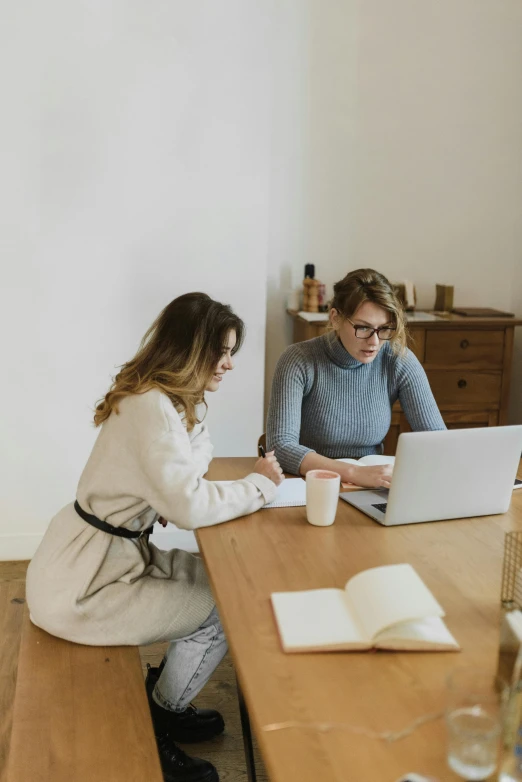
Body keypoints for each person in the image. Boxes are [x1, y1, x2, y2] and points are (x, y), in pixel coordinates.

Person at [26, 292, 283, 782]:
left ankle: (166, 697)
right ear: (190, 348)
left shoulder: (158, 398)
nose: (229, 364)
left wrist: (171, 489)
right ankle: (158, 715)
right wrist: (259, 487)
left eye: (232, 352)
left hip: (107, 555)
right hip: (85, 583)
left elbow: (189, 466)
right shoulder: (153, 407)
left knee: (221, 583)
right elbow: (187, 504)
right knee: (220, 607)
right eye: (220, 351)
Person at [267, 268, 445, 488]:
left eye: (384, 329)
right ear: (335, 318)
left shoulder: (398, 360)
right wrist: (353, 472)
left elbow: (437, 442)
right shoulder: (298, 360)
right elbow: (281, 447)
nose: (374, 342)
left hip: (373, 487)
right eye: (363, 328)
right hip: (311, 487)